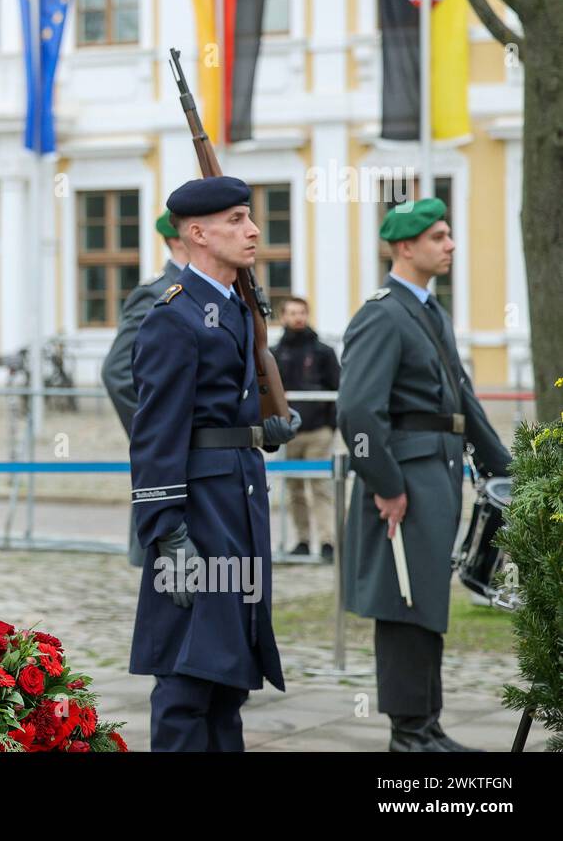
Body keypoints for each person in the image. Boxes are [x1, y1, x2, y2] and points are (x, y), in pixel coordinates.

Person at [128, 175, 298, 752]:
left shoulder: (235, 309)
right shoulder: (172, 318)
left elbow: (219, 408)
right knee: (186, 679)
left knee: (229, 678)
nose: (252, 230)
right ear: (197, 234)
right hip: (197, 516)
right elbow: (155, 437)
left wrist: (261, 428)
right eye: (234, 220)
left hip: (239, 503)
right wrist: (165, 531)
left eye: (248, 217)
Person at [337, 197, 510, 753]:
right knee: (404, 603)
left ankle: (427, 726)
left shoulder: (429, 311)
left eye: (449, 234)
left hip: (436, 471)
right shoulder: (382, 313)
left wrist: (508, 471)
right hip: (404, 481)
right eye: (438, 236)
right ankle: (408, 735)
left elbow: (463, 402)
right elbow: (358, 413)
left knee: (426, 600)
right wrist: (386, 484)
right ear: (405, 247)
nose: (450, 245)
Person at [103, 211, 188, 566]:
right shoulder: (155, 294)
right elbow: (118, 372)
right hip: (172, 458)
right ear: (182, 238)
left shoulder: (225, 292)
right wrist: (155, 431)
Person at [272, 296, 341, 561]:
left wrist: (331, 424)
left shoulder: (323, 351)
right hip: (288, 432)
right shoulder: (276, 353)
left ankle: (327, 542)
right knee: (294, 490)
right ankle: (302, 539)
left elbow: (337, 386)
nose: (298, 317)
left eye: (302, 312)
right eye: (292, 313)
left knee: (320, 487)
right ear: (283, 317)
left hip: (318, 431)